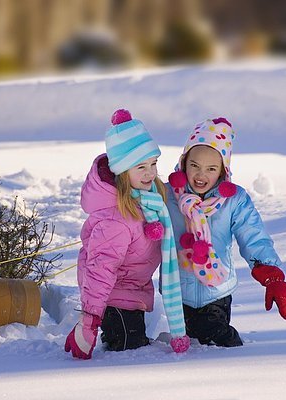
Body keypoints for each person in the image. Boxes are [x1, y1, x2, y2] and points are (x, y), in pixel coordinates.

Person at [64, 109, 190, 360]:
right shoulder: (116, 220)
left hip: (134, 294)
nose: (150, 173)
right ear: (122, 172)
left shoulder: (149, 199)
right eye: (140, 166)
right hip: (112, 299)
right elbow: (100, 268)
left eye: (153, 164)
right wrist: (89, 320)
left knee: (136, 344)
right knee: (127, 354)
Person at [165, 117, 286, 347]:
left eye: (211, 168)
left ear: (223, 171)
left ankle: (234, 358)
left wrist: (270, 272)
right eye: (194, 165)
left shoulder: (233, 200)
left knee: (213, 336)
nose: (200, 175)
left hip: (216, 289)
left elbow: (252, 234)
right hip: (176, 289)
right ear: (184, 162)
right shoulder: (167, 195)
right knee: (186, 342)